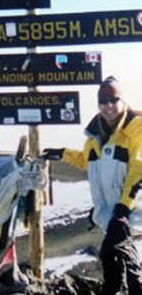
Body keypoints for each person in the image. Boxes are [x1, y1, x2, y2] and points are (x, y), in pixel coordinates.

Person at [43, 76, 142, 294]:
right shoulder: (94, 138)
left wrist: (123, 209)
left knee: (110, 253)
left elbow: (139, 170)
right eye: (103, 100)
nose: (108, 106)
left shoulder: (136, 129)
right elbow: (86, 160)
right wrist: (62, 153)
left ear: (123, 101)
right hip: (113, 213)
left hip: (131, 209)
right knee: (124, 255)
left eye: (113, 100)